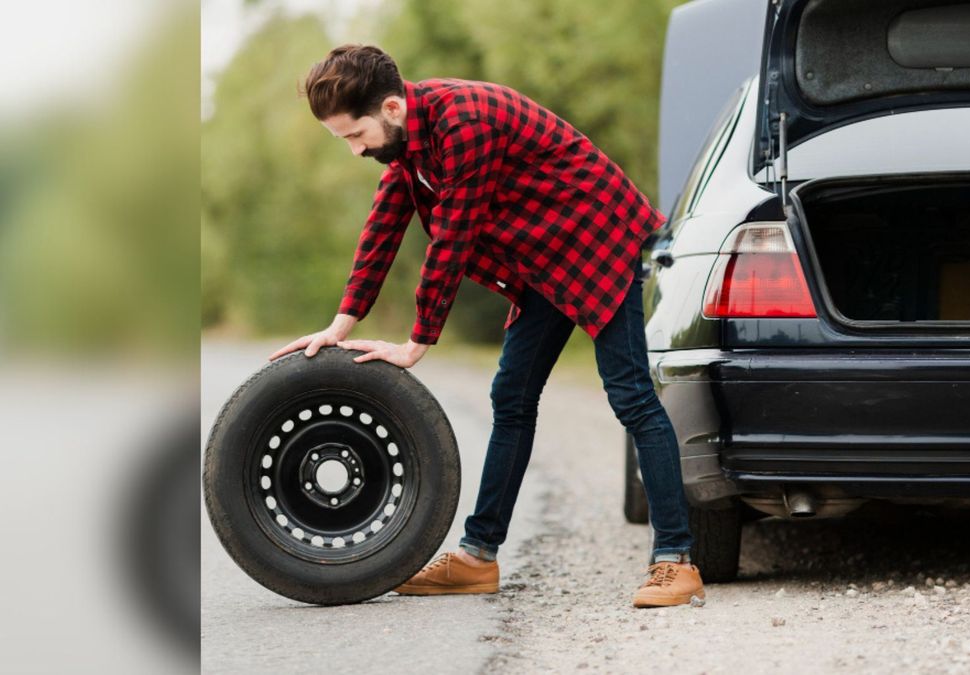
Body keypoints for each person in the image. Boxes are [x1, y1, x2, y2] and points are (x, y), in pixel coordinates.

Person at [269, 44, 703, 608]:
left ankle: (676, 560)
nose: (355, 151)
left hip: (597, 237)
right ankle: (478, 558)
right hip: (545, 258)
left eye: (355, 135)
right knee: (512, 397)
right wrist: (340, 323)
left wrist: (419, 341)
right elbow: (384, 226)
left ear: (392, 109)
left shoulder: (464, 122)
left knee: (631, 397)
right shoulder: (407, 143)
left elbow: (454, 236)